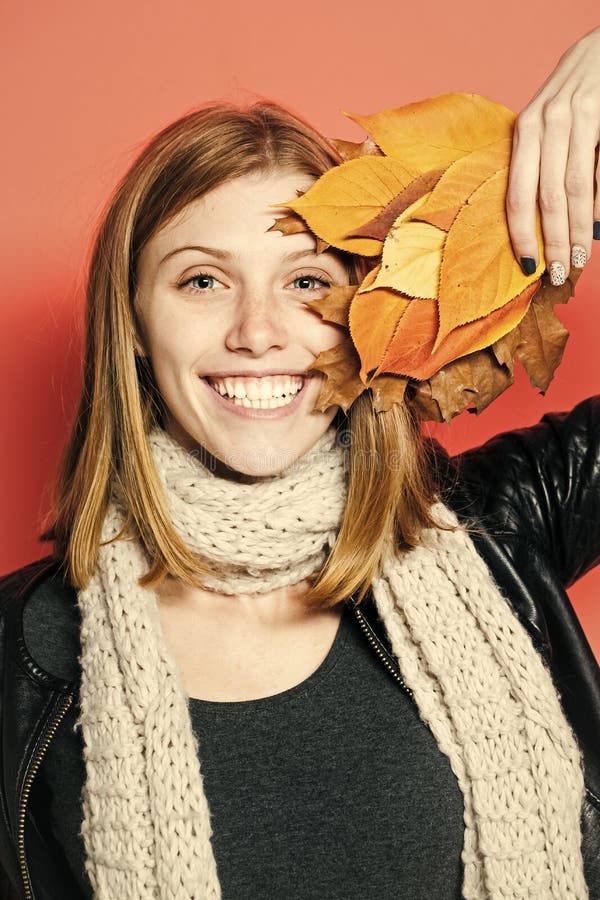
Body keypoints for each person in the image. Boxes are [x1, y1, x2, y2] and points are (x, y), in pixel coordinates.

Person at [1, 26, 599, 900]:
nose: (257, 331)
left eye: (308, 281)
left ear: (366, 307)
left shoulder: (502, 531)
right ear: (131, 323)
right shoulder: (20, 652)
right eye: (202, 280)